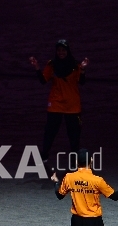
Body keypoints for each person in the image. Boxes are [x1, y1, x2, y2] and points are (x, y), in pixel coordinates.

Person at [30, 40, 88, 169]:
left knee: (74, 136)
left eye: (63, 50)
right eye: (59, 50)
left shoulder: (75, 65)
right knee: (49, 132)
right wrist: (37, 68)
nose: (61, 53)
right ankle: (44, 157)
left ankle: (74, 163)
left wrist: (83, 69)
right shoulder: (52, 64)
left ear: (67, 51)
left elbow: (82, 81)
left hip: (72, 106)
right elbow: (43, 80)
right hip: (55, 104)